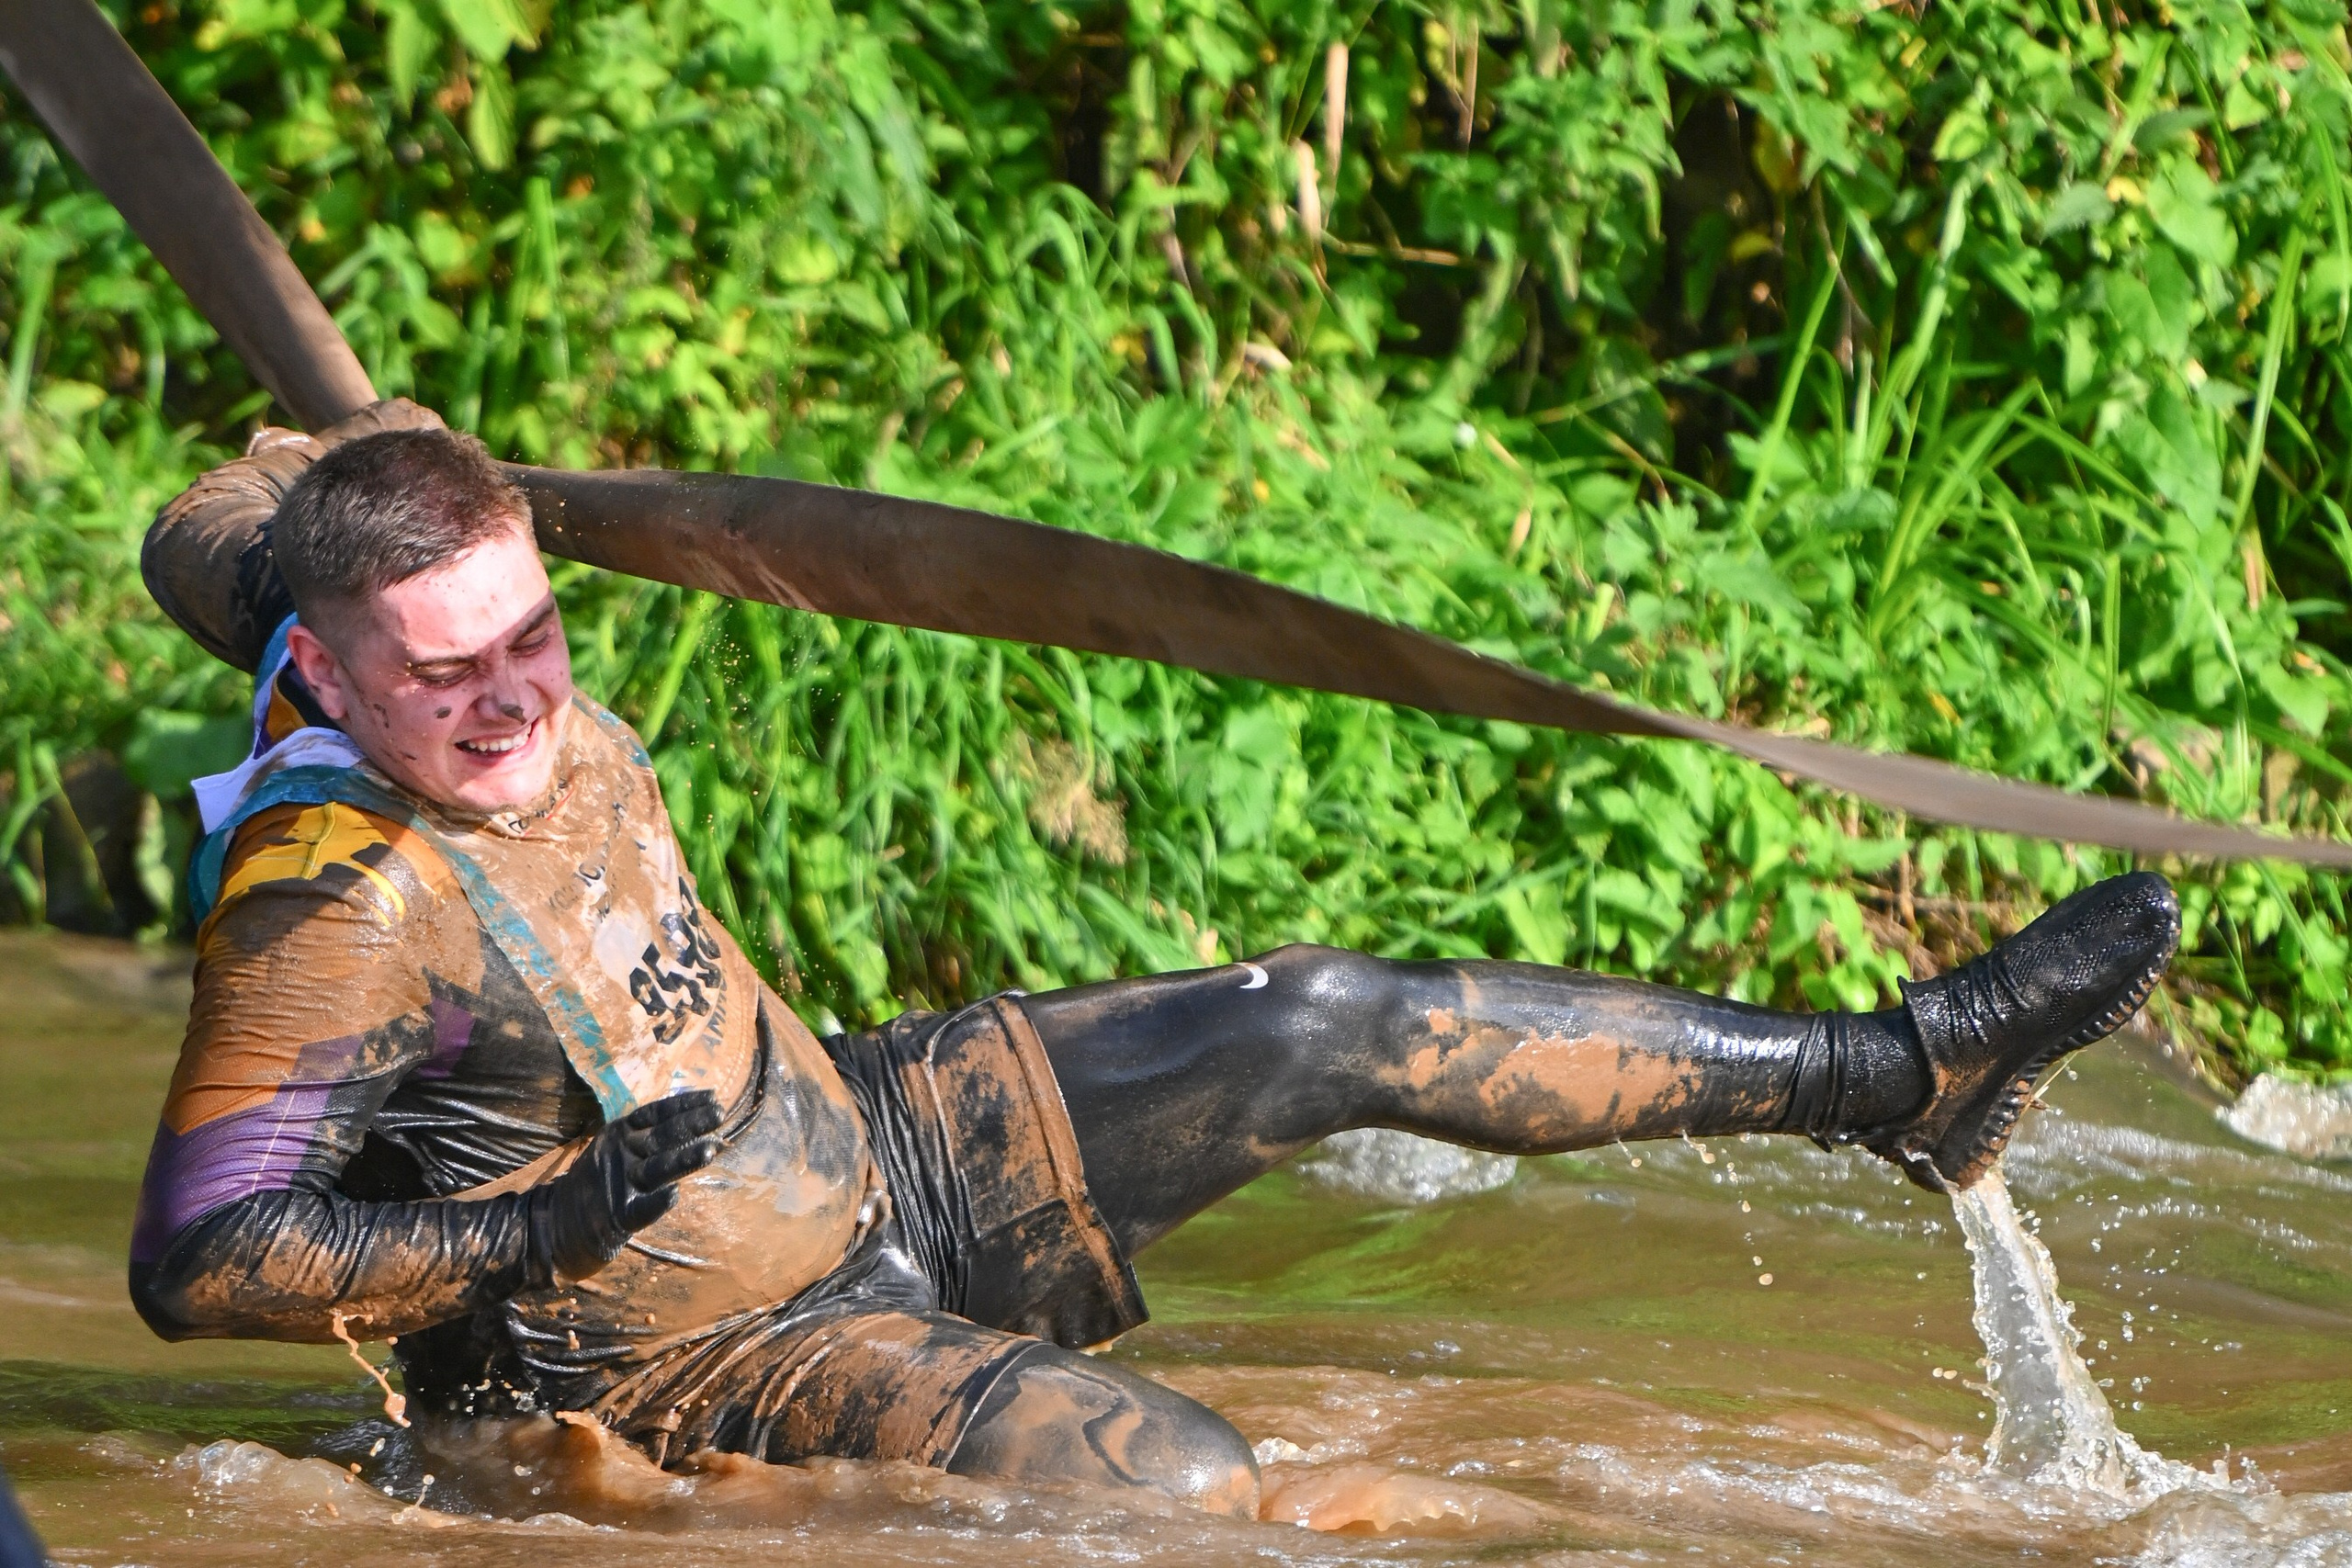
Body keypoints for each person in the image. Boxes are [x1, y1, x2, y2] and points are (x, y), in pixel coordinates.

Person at [129, 401, 2182, 1517]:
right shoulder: (336, 904)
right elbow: (198, 1260)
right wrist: (547, 1217)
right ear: (320, 666)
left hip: (863, 1137)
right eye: (444, 674)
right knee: (1183, 1483)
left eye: (533, 641)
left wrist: (367, 456)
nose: (511, 708)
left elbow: (212, 517)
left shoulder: (375, 599)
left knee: (1325, 1014)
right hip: (677, 1351)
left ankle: (1898, 1077)